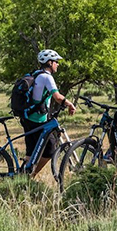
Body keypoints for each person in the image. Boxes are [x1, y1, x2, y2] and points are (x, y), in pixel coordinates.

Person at [21, 49, 76, 177]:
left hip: (28, 117)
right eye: (56, 62)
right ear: (50, 63)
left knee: (31, 152)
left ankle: (23, 177)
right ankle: (30, 176)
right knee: (50, 150)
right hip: (38, 120)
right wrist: (69, 104)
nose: (58, 64)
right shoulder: (47, 77)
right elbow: (57, 97)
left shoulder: (35, 74)